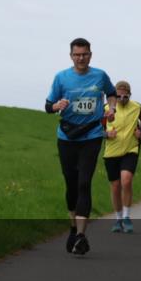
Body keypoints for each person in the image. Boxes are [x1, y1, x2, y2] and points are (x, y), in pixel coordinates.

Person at [45, 38, 117, 256]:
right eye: (77, 55)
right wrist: (57, 105)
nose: (81, 58)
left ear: (90, 55)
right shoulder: (61, 78)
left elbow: (112, 93)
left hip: (92, 135)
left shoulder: (100, 75)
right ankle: (73, 227)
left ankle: (81, 235)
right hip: (67, 136)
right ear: (71, 56)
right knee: (72, 185)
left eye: (84, 54)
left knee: (84, 183)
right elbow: (48, 106)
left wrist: (111, 107)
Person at [102, 81, 141, 233]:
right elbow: (95, 129)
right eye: (118, 96)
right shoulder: (105, 109)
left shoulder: (137, 107)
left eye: (125, 96)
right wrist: (106, 134)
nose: (122, 99)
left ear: (130, 94)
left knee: (126, 180)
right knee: (115, 187)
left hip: (130, 149)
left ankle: (127, 216)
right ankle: (118, 219)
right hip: (111, 152)